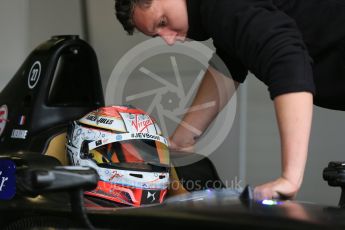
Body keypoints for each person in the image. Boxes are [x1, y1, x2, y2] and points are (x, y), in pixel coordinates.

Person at [114, 0, 345, 200]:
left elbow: (287, 59)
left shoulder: (220, 5)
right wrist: (182, 140)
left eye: (162, 22)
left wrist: (289, 179)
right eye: (157, 34)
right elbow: (230, 63)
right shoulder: (221, 11)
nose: (169, 40)